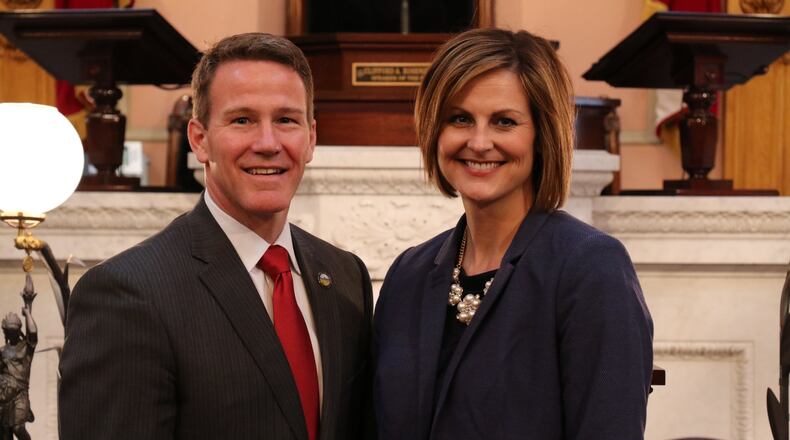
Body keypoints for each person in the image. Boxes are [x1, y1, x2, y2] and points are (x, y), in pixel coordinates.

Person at [59, 33, 374, 440]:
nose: (267, 143)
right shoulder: (126, 294)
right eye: (242, 120)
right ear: (199, 139)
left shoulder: (346, 277)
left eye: (286, 120)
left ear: (310, 138)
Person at [374, 28, 653, 439]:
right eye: (460, 119)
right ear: (435, 130)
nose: (479, 141)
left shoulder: (591, 268)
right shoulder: (408, 274)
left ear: (542, 136)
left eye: (504, 122)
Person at [0, 275, 36, 440]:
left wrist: (28, 312)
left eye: (15, 329)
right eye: (9, 330)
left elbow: (33, 333)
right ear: (5, 332)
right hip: (3, 398)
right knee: (5, 435)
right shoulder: (2, 351)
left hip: (20, 395)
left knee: (18, 428)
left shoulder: (26, 348)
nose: (12, 332)